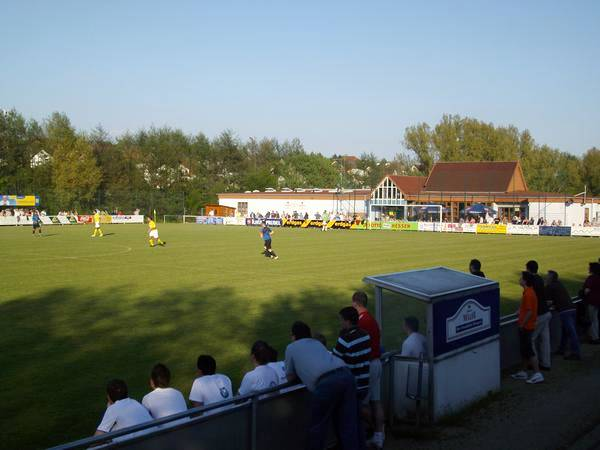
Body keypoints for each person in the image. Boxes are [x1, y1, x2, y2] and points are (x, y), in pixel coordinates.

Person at [284, 321, 360, 450]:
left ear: (294, 336)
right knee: (348, 424)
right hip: (346, 375)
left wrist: (302, 371)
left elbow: (290, 377)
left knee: (317, 428)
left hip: (326, 383)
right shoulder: (317, 343)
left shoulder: (291, 347)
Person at [352, 291, 384, 450]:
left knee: (361, 404)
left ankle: (372, 431)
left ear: (355, 303)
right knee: (376, 401)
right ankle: (379, 436)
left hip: (368, 365)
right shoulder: (371, 319)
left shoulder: (362, 321)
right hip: (377, 362)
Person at [511, 272, 544, 384]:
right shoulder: (528, 292)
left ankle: (537, 373)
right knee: (525, 350)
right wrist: (519, 312)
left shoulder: (528, 294)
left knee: (529, 350)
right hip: (526, 325)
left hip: (527, 326)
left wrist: (522, 323)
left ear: (525, 281)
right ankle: (524, 371)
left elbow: (530, 311)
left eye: (521, 278)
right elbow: (526, 308)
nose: (519, 279)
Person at [545, 271, 581, 360]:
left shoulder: (550, 286)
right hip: (572, 309)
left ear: (551, 278)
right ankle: (562, 348)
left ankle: (576, 353)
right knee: (566, 331)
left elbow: (548, 302)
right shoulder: (559, 284)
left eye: (547, 276)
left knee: (571, 332)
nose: (546, 278)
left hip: (565, 311)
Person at [526, 260, 551, 370]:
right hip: (546, 312)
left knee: (530, 340)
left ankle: (533, 363)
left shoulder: (532, 281)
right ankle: (546, 364)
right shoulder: (540, 279)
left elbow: (531, 299)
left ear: (528, 269)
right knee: (545, 339)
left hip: (539, 314)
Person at [582, 262, 600, 344]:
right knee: (595, 320)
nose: (588, 269)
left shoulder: (591, 278)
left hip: (592, 302)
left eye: (589, 267)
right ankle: (595, 336)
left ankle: (594, 338)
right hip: (598, 302)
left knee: (592, 321)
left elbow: (587, 291)